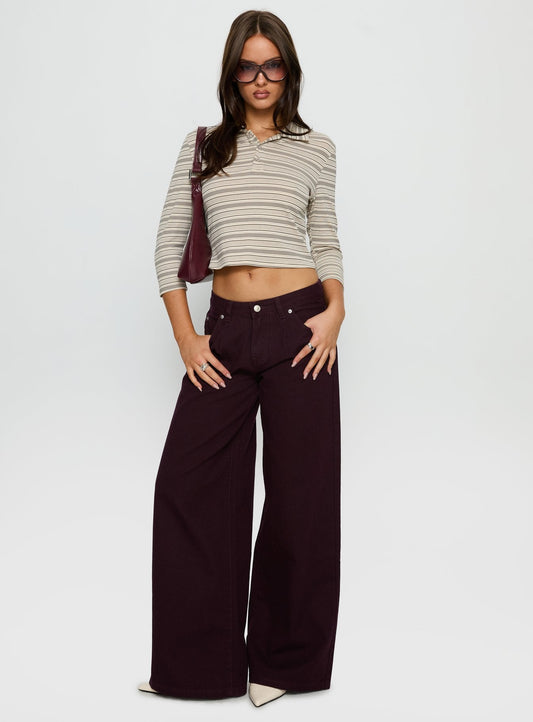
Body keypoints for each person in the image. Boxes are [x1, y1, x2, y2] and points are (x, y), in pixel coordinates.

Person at [138, 9, 345, 707]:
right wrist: (187, 339)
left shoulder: (316, 148)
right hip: (223, 332)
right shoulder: (202, 147)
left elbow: (325, 237)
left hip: (301, 328)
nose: (261, 78)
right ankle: (198, 668)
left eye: (272, 64)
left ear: (289, 71)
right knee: (188, 488)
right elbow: (168, 248)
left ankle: (283, 666)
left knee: (301, 497)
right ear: (232, 74)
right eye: (248, 66)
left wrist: (336, 310)